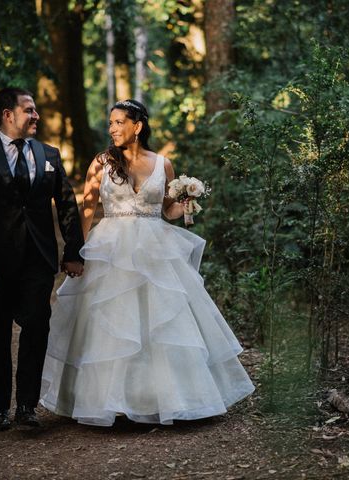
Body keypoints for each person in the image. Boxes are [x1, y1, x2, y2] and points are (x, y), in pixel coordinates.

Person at [40, 99, 254, 426]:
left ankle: (162, 399)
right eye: (110, 122)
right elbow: (86, 213)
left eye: (118, 122)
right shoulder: (101, 163)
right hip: (111, 249)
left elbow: (167, 210)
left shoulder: (163, 164)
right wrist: (75, 253)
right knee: (112, 326)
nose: (111, 128)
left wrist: (185, 205)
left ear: (137, 126)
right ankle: (111, 401)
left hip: (156, 249)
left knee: (161, 325)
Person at [0, 87, 85, 431]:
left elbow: (68, 205)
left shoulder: (49, 154)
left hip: (37, 260)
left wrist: (73, 252)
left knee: (36, 328)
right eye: (29, 110)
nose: (36, 116)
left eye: (36, 110)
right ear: (7, 115)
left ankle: (26, 405)